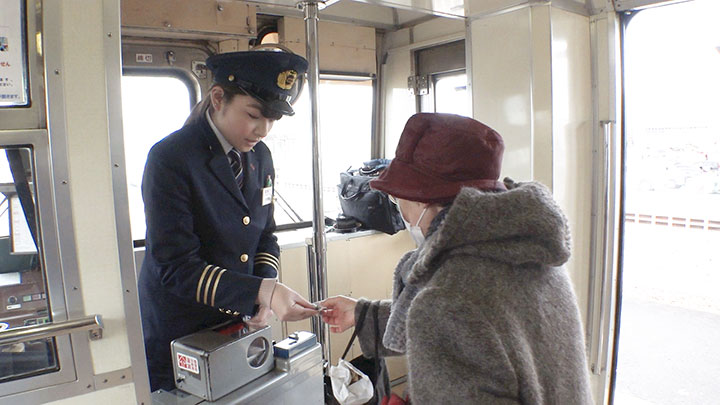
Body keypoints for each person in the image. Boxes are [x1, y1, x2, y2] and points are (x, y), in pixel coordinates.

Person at [320, 113, 593, 404]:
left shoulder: (446, 301)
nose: (400, 208)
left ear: (420, 197)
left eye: (397, 196)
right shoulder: (531, 250)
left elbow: (456, 315)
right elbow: (492, 328)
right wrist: (364, 316)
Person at [139, 50, 318, 392]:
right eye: (253, 115)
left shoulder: (260, 157)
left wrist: (263, 290)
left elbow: (264, 233)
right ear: (218, 97)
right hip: (183, 327)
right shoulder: (171, 159)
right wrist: (261, 292)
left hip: (239, 318)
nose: (263, 130)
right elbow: (176, 266)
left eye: (273, 120)